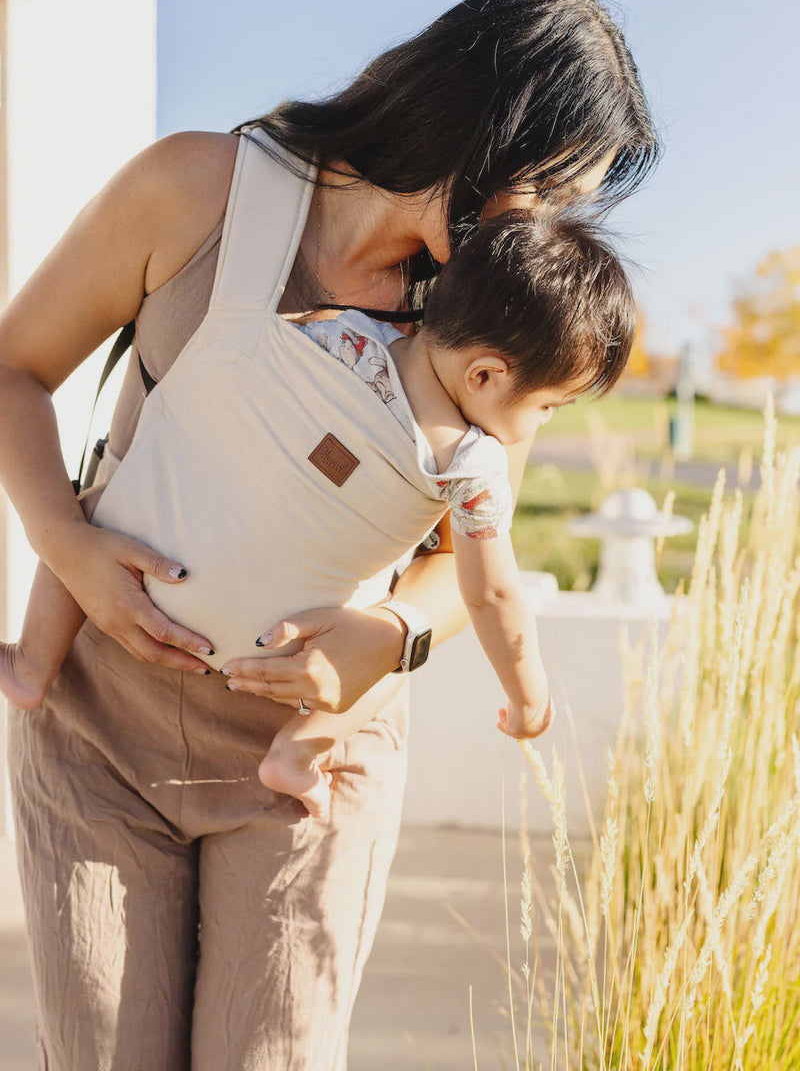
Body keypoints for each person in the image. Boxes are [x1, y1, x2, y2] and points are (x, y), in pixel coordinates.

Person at [0, 0, 658, 1069]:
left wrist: (386, 640)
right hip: (98, 741)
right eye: (545, 190)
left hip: (308, 767)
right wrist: (68, 549)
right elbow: (15, 370)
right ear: (482, 130)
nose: (544, 230)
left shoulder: (494, 329)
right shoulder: (196, 190)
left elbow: (473, 562)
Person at [0, 208, 636, 821]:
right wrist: (529, 696)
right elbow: (492, 594)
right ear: (486, 375)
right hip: (273, 649)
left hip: (145, 577)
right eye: (550, 406)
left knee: (89, 512)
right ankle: (298, 751)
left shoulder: (337, 335)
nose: (542, 424)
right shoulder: (471, 467)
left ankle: (32, 667)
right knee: (395, 654)